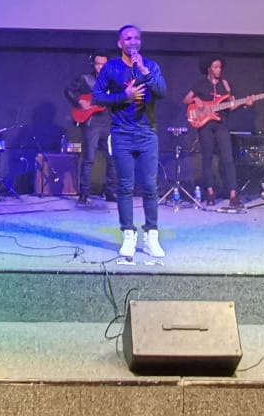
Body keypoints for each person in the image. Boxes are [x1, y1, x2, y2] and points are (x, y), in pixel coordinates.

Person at [91, 25, 167, 260]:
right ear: (120, 43)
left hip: (147, 133)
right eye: (128, 38)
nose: (133, 41)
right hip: (122, 133)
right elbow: (97, 96)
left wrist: (144, 70)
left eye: (136, 38)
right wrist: (124, 96)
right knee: (125, 186)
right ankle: (128, 234)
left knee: (150, 186)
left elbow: (162, 92)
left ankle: (151, 235)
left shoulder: (151, 65)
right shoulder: (111, 67)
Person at [183, 56, 240, 208]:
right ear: (209, 68)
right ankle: (210, 193)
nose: (218, 70)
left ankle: (233, 194)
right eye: (215, 67)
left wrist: (245, 103)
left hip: (222, 123)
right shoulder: (200, 83)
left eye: (220, 67)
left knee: (228, 158)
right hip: (205, 124)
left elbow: (232, 105)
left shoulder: (225, 84)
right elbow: (186, 100)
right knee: (207, 158)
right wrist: (196, 99)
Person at [65, 51, 117, 206]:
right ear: (93, 64)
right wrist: (78, 102)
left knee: (113, 158)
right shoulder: (86, 79)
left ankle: (110, 191)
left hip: (108, 122)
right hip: (91, 123)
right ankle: (84, 194)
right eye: (97, 64)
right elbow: (68, 91)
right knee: (89, 159)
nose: (100, 67)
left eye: (103, 64)